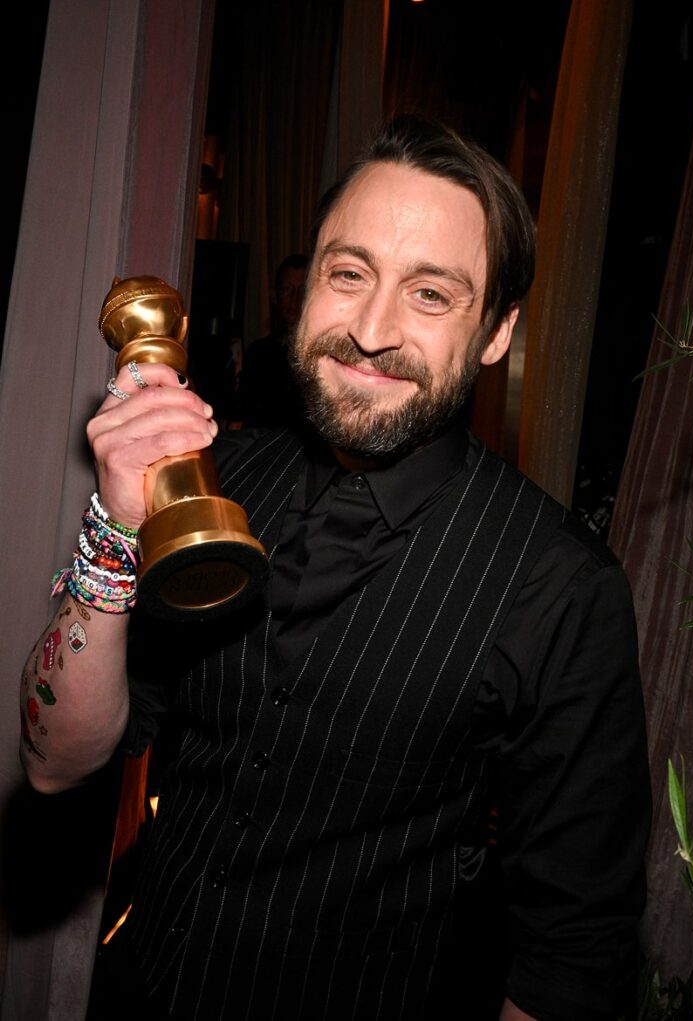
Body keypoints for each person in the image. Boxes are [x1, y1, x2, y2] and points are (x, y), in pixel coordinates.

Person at [19, 115, 650, 1021]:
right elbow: (55, 762)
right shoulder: (218, 479)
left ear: (498, 332)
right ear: (306, 285)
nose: (371, 329)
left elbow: (572, 958)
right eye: (347, 274)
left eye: (431, 295)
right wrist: (117, 525)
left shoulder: (563, 588)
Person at [235, 253, 308, 427]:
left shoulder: (323, 355)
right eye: (287, 289)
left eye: (303, 291)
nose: (295, 299)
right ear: (275, 296)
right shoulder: (258, 353)